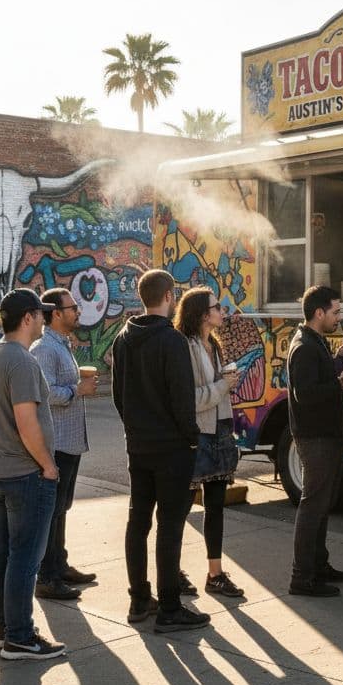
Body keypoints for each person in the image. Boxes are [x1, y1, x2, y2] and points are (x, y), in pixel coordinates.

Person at [112, 269, 211, 633]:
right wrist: (190, 438)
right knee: (170, 525)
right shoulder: (171, 341)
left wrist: (135, 428)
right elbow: (181, 398)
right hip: (172, 447)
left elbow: (119, 395)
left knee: (138, 522)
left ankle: (139, 598)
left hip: (139, 445)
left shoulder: (123, 338)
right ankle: (170, 606)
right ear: (169, 296)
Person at [0, 288, 66, 661]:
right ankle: (19, 636)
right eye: (42, 314)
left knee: (5, 553)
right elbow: (27, 421)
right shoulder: (23, 362)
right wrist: (47, 464)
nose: (46, 319)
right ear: (27, 318)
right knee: (25, 559)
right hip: (24, 473)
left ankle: (2, 628)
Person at [287, 285, 343, 597]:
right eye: (335, 312)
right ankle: (302, 577)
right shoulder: (304, 346)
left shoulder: (313, 340)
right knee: (313, 503)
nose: (338, 318)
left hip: (324, 434)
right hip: (314, 436)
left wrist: (338, 361)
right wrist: (341, 383)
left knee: (322, 503)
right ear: (319, 313)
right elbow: (306, 394)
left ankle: (319, 565)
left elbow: (319, 378)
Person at [175, 287, 245, 599]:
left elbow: (215, 393)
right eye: (217, 307)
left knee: (216, 506)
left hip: (220, 431)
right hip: (197, 435)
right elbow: (189, 399)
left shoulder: (213, 344)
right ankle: (172, 570)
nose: (222, 311)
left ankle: (215, 573)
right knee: (183, 507)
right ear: (203, 314)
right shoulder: (185, 347)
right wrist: (222, 386)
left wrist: (227, 385)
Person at [32, 288, 99, 600]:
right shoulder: (45, 348)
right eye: (73, 307)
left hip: (69, 441)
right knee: (52, 510)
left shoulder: (61, 344)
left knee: (62, 508)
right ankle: (46, 576)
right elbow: (45, 394)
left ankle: (59, 564)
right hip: (56, 442)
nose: (78, 311)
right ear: (56, 313)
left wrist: (77, 388)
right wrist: (77, 390)